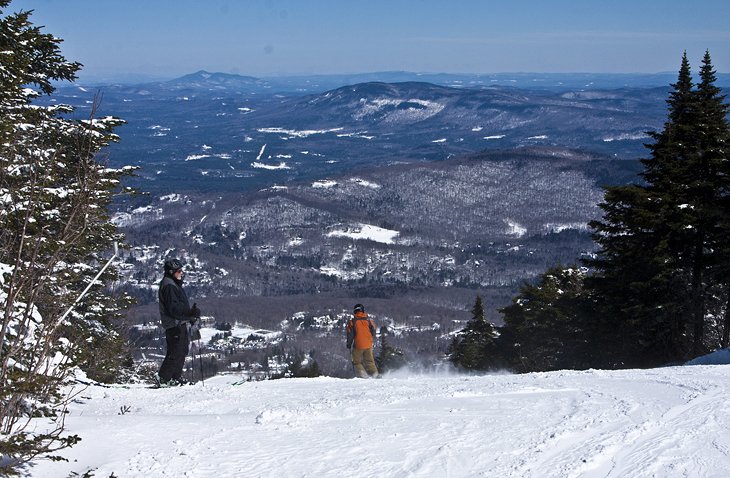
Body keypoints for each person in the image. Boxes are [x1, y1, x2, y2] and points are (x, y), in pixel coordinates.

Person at [158, 258, 201, 385]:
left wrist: (190, 315)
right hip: (173, 324)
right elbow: (174, 309)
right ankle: (164, 378)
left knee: (181, 350)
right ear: (171, 272)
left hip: (179, 323)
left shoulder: (173, 283)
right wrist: (189, 314)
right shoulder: (169, 286)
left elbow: (179, 307)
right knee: (175, 351)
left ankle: (175, 377)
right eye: (179, 271)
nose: (181, 273)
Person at [346, 303, 379, 378]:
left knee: (357, 361)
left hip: (358, 345)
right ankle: (375, 375)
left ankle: (363, 375)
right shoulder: (369, 320)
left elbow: (350, 335)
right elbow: (373, 331)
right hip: (369, 345)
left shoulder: (352, 322)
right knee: (370, 361)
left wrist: (349, 345)